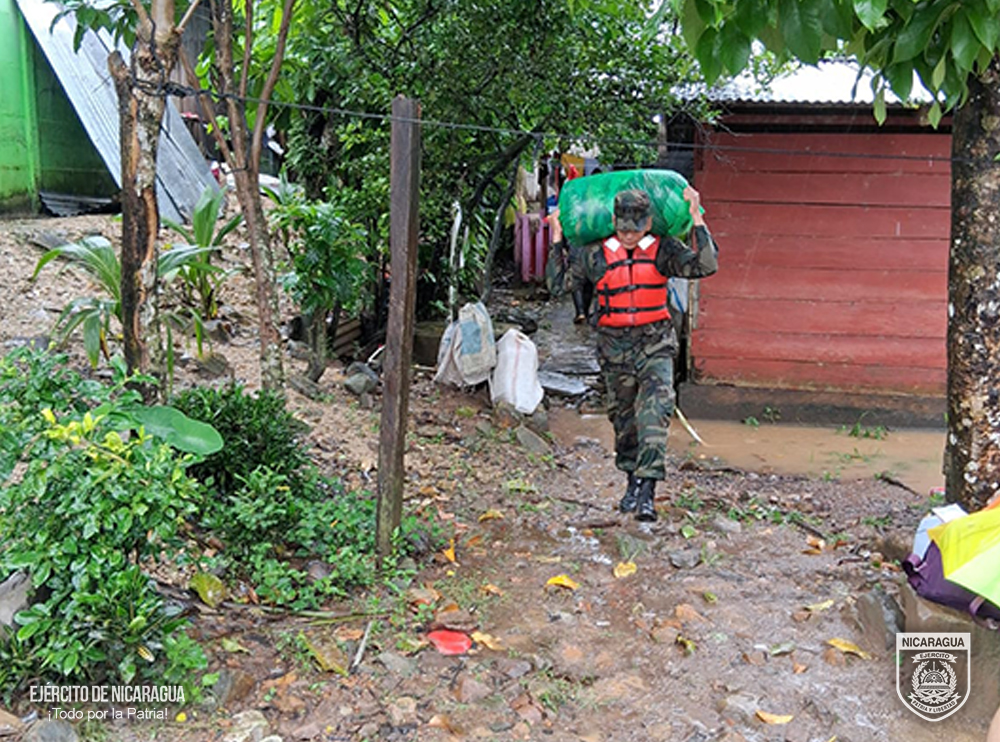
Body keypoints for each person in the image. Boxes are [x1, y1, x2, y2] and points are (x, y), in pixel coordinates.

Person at [546, 186, 718, 521]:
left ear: (648, 223)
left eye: (635, 229)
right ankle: (631, 480)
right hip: (614, 349)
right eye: (622, 228)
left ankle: (647, 492)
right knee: (624, 422)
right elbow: (556, 286)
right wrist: (557, 239)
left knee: (655, 415)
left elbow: (706, 266)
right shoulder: (594, 254)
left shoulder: (663, 250)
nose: (628, 235)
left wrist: (696, 217)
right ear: (612, 222)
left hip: (655, 345)